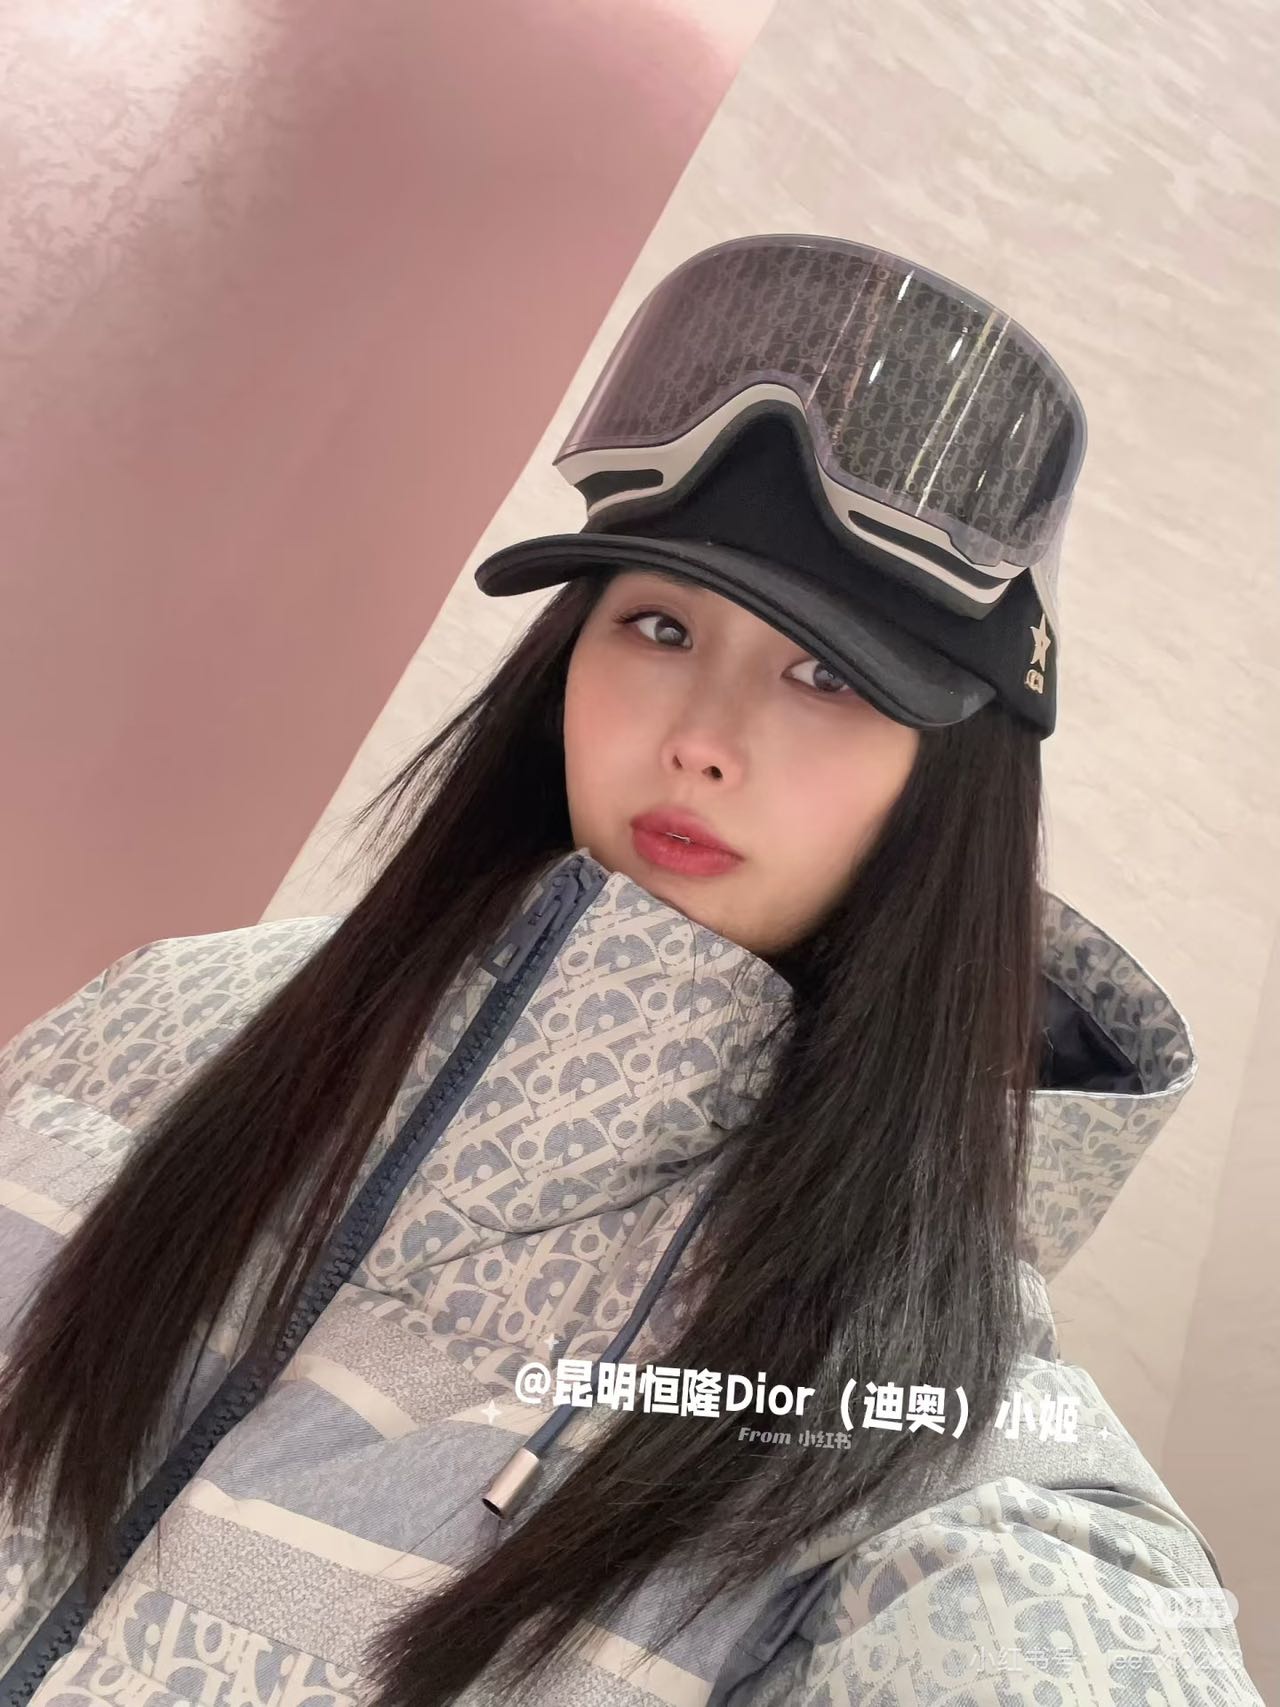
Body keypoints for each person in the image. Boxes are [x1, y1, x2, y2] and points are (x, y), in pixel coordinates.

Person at [0, 234, 1261, 1706]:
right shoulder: (162, 1018)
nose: (702, 738)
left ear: (948, 788)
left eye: (829, 674)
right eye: (659, 626)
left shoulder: (923, 1410)